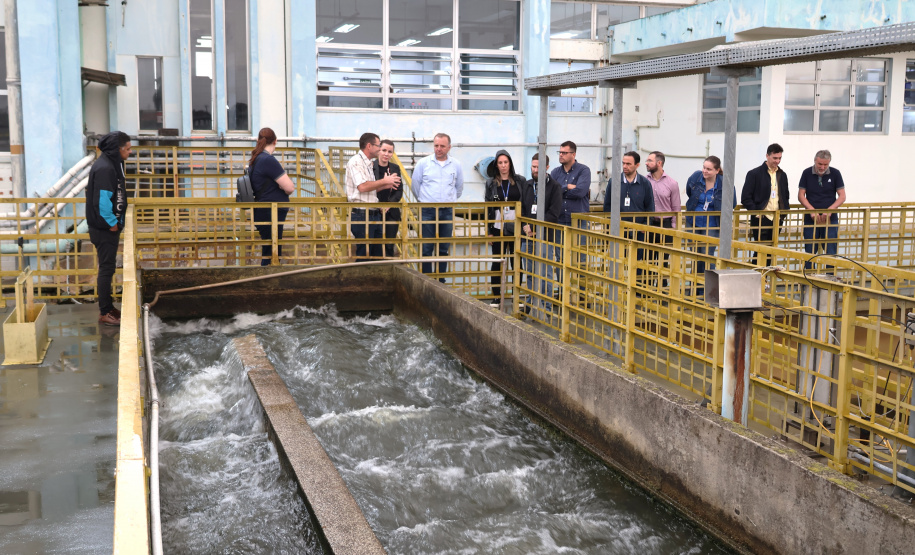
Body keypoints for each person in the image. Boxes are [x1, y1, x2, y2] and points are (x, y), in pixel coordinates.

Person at [86, 131, 130, 326]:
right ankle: (105, 312)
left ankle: (109, 307)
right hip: (104, 229)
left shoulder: (112, 163)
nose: (130, 152)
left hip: (107, 227)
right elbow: (102, 201)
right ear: (117, 149)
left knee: (108, 268)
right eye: (127, 148)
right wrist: (112, 223)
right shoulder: (105, 168)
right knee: (106, 269)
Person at [411, 133, 464, 279]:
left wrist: (449, 199)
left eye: (442, 146)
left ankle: (440, 280)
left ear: (449, 147)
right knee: (426, 247)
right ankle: (427, 280)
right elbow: (415, 185)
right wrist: (424, 200)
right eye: (436, 145)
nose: (438, 149)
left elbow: (459, 187)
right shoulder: (423, 163)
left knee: (443, 248)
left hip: (447, 211)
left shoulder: (456, 165)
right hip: (427, 210)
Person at [346, 132, 400, 261]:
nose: (380, 149)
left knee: (378, 255)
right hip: (362, 214)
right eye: (378, 145)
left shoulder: (368, 163)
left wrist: (385, 185)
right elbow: (362, 187)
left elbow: (369, 189)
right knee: (364, 255)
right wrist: (384, 181)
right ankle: (361, 274)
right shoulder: (356, 162)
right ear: (369, 146)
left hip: (373, 214)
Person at [684, 156, 735, 286]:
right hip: (693, 221)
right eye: (704, 167)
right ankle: (695, 287)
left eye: (709, 169)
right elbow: (689, 192)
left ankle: (709, 288)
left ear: (717, 170)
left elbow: (732, 203)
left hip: (712, 223)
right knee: (695, 255)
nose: (705, 171)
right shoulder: (696, 177)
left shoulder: (725, 183)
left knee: (708, 255)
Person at [484, 150, 526, 304]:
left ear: (510, 163)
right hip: (498, 225)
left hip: (516, 225)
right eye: (500, 163)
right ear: (496, 165)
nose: (503, 166)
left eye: (506, 162)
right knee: (497, 261)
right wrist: (489, 231)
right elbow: (488, 207)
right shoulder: (491, 183)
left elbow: (525, 203)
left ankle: (516, 295)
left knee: (516, 262)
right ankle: (496, 296)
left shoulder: (520, 180)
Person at [249, 127, 296, 266]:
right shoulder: (268, 160)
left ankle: (267, 275)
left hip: (262, 210)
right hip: (271, 212)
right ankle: (268, 276)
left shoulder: (256, 158)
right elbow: (290, 187)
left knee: (269, 249)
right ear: (275, 141)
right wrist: (281, 187)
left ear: (258, 141)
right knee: (272, 253)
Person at [523, 153, 562, 311]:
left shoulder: (555, 187)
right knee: (529, 272)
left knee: (545, 272)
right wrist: (526, 225)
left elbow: (554, 213)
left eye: (538, 167)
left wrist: (534, 227)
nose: (535, 170)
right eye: (533, 166)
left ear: (547, 167)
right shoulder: (527, 185)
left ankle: (546, 307)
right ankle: (530, 304)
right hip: (527, 236)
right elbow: (522, 208)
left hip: (545, 236)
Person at [741, 143, 789, 266]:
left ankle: (764, 275)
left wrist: (784, 213)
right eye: (775, 158)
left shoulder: (782, 175)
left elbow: (785, 195)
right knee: (760, 249)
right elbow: (745, 198)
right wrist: (757, 212)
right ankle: (758, 274)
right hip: (761, 217)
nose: (777, 161)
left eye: (779, 158)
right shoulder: (754, 173)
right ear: (767, 156)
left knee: (771, 250)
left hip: (777, 217)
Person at [798, 150, 846, 269]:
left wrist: (830, 210)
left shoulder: (835, 173)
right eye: (820, 164)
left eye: (825, 164)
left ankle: (830, 276)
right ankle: (809, 275)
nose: (822, 167)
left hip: (830, 219)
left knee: (830, 251)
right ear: (815, 161)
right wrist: (811, 210)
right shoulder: (806, 173)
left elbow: (842, 196)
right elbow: (801, 195)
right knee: (810, 251)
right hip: (810, 219)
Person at [550, 140, 591, 278]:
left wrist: (560, 190)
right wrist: (567, 187)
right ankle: (562, 289)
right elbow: (551, 193)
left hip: (579, 221)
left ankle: (581, 290)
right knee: (561, 258)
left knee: (581, 258)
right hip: (560, 220)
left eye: (564, 153)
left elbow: (580, 192)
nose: (560, 155)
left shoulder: (584, 170)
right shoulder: (555, 172)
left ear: (573, 154)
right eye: (560, 152)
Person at [645, 151, 680, 274]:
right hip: (649, 223)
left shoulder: (672, 183)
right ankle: (648, 284)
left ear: (659, 163)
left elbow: (676, 207)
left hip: (666, 224)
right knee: (648, 258)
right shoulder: (644, 181)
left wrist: (674, 228)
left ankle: (662, 284)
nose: (646, 163)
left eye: (650, 161)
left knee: (664, 260)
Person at [373, 139, 403, 258]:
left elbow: (399, 190)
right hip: (374, 211)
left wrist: (389, 204)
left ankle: (389, 265)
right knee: (375, 245)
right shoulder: (371, 166)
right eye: (384, 150)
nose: (386, 154)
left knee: (389, 245)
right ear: (379, 151)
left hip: (391, 212)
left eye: (390, 152)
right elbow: (368, 188)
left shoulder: (395, 168)